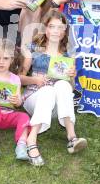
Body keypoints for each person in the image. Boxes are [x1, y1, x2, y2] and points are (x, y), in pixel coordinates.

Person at [19, 10, 87, 166]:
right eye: (52, 27)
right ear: (45, 29)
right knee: (48, 90)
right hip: (35, 98)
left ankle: (72, 137)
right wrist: (35, 80)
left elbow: (71, 88)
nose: (56, 31)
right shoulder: (33, 48)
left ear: (65, 31)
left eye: (60, 27)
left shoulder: (68, 54)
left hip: (57, 106)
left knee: (62, 85)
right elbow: (19, 78)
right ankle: (32, 139)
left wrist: (71, 76)